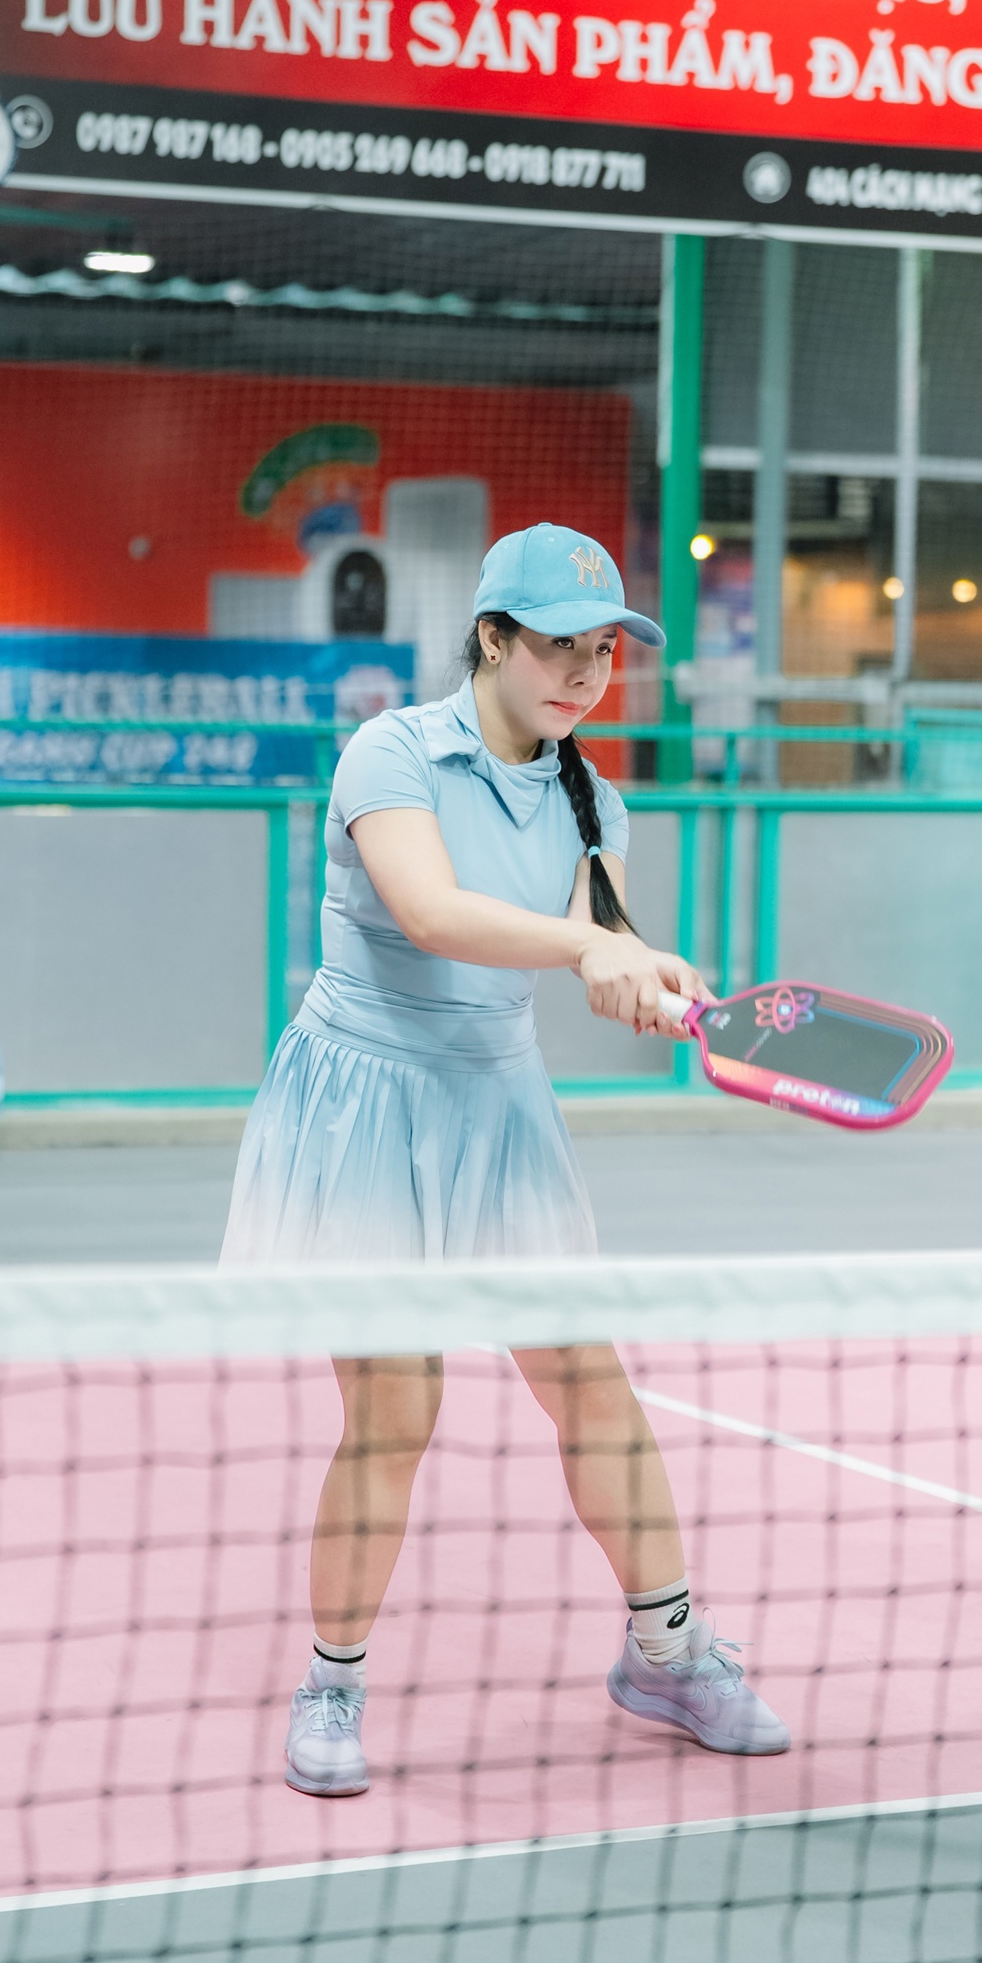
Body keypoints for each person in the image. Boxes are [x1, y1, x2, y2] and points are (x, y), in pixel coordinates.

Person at [221, 521, 790, 1796]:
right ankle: (332, 1684)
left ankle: (667, 1651)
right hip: (365, 1103)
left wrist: (649, 978)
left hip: (502, 1104)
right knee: (395, 1410)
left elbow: (600, 940)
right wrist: (592, 949)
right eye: (560, 647)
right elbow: (432, 913)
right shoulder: (390, 754)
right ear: (491, 638)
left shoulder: (595, 799)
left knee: (590, 1381)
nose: (587, 675)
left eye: (606, 653)